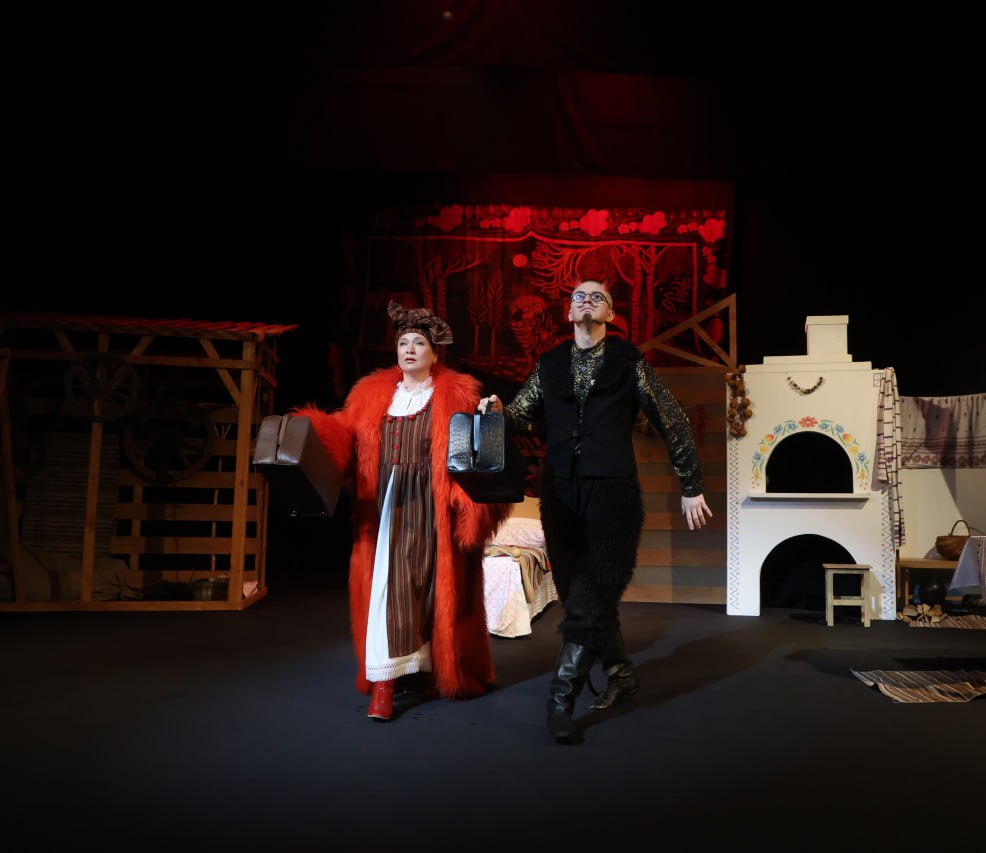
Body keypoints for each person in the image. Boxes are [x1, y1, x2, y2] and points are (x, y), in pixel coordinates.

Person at [480, 279, 712, 743]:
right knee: (577, 595)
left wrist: (692, 486)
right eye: (578, 297)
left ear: (609, 314)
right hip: (561, 494)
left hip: (613, 494)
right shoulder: (550, 364)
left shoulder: (628, 363)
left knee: (594, 595)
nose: (586, 301)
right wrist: (498, 410)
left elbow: (671, 419)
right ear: (568, 314)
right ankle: (621, 674)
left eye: (597, 297)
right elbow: (522, 414)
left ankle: (560, 699)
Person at [298, 301, 512, 721]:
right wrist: (315, 431)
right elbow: (345, 439)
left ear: (434, 353)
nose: (409, 349)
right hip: (386, 506)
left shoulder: (456, 394)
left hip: (434, 506)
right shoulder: (370, 395)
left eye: (418, 343)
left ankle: (428, 672)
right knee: (386, 590)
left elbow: (475, 452)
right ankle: (384, 685)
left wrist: (490, 420)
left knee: (431, 591)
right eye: (403, 343)